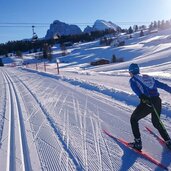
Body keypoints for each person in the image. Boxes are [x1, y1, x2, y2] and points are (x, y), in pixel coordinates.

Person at [128, 63, 171, 151]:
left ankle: (137, 143)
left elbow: (137, 90)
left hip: (147, 102)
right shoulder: (148, 77)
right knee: (156, 122)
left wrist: (142, 97)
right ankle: (168, 141)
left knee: (133, 119)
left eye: (129, 72)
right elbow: (163, 86)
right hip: (157, 101)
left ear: (131, 72)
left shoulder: (133, 79)